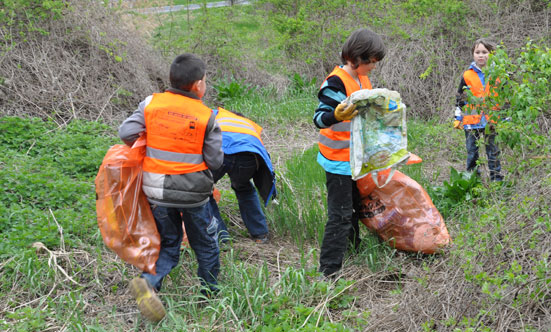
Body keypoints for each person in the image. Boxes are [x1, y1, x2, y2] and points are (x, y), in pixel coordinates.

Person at [118, 53, 223, 322]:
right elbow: (214, 160)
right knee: (205, 243)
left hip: (156, 191)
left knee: (167, 244)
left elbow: (126, 132)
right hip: (194, 194)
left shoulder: (150, 104)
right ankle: (209, 294)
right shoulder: (206, 116)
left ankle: (149, 283)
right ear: (198, 85)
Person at [313, 28, 386, 278]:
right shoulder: (335, 82)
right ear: (356, 57)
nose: (374, 67)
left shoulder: (362, 79)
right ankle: (328, 271)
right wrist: (335, 115)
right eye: (372, 62)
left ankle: (352, 251)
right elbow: (318, 118)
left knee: (355, 208)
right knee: (340, 215)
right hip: (338, 161)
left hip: (356, 159)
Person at [208, 107, 277, 244]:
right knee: (244, 188)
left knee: (203, 190)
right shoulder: (249, 125)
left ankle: (222, 238)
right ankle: (260, 235)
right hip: (248, 156)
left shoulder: (216, 114)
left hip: (222, 151)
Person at [454, 38, 504, 182]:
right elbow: (460, 98)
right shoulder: (467, 75)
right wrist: (457, 117)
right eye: (477, 52)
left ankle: (496, 182)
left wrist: (506, 117)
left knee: (493, 153)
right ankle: (472, 181)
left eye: (484, 52)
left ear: (491, 54)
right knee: (472, 154)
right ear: (473, 54)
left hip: (492, 121)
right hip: (471, 122)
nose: (481, 55)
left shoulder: (498, 73)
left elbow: (505, 97)